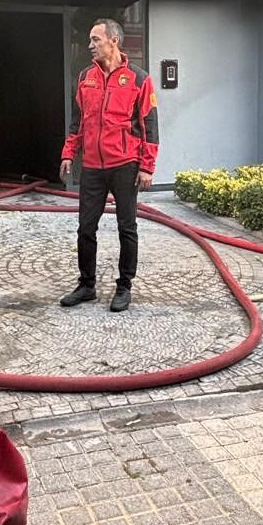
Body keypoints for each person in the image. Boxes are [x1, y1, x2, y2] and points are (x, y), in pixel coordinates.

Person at [58, 19, 158, 313]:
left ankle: (124, 286)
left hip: (125, 165)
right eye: (90, 40)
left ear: (113, 40)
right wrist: (68, 153)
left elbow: (149, 126)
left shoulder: (139, 79)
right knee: (85, 228)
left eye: (95, 39)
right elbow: (78, 121)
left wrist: (147, 167)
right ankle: (87, 286)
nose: (90, 45)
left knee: (127, 227)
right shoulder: (84, 78)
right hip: (91, 166)